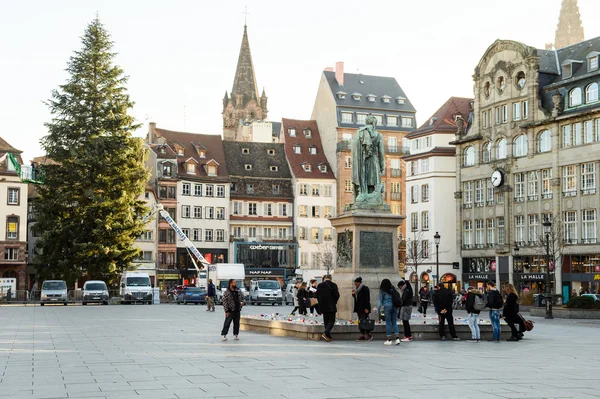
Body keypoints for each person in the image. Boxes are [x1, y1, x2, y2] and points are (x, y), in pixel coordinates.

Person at [316, 275, 340, 342]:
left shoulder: (320, 285)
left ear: (324, 279)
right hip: (331, 306)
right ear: (331, 278)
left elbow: (317, 295)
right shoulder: (334, 285)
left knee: (326, 321)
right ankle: (326, 333)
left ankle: (328, 336)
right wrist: (334, 301)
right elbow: (337, 295)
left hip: (323, 306)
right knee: (332, 320)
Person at [377, 279, 400, 345]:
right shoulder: (393, 289)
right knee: (394, 323)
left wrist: (378, 310)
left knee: (388, 323)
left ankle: (389, 339)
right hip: (395, 307)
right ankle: (397, 339)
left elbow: (380, 301)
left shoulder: (383, 291)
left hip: (387, 307)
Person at [352, 277, 372, 342]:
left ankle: (367, 334)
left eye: (356, 284)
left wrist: (366, 308)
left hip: (364, 308)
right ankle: (363, 334)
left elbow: (367, 298)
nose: (355, 285)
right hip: (359, 308)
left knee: (364, 321)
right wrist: (354, 295)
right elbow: (357, 299)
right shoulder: (357, 290)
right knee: (361, 321)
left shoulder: (365, 289)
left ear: (359, 283)